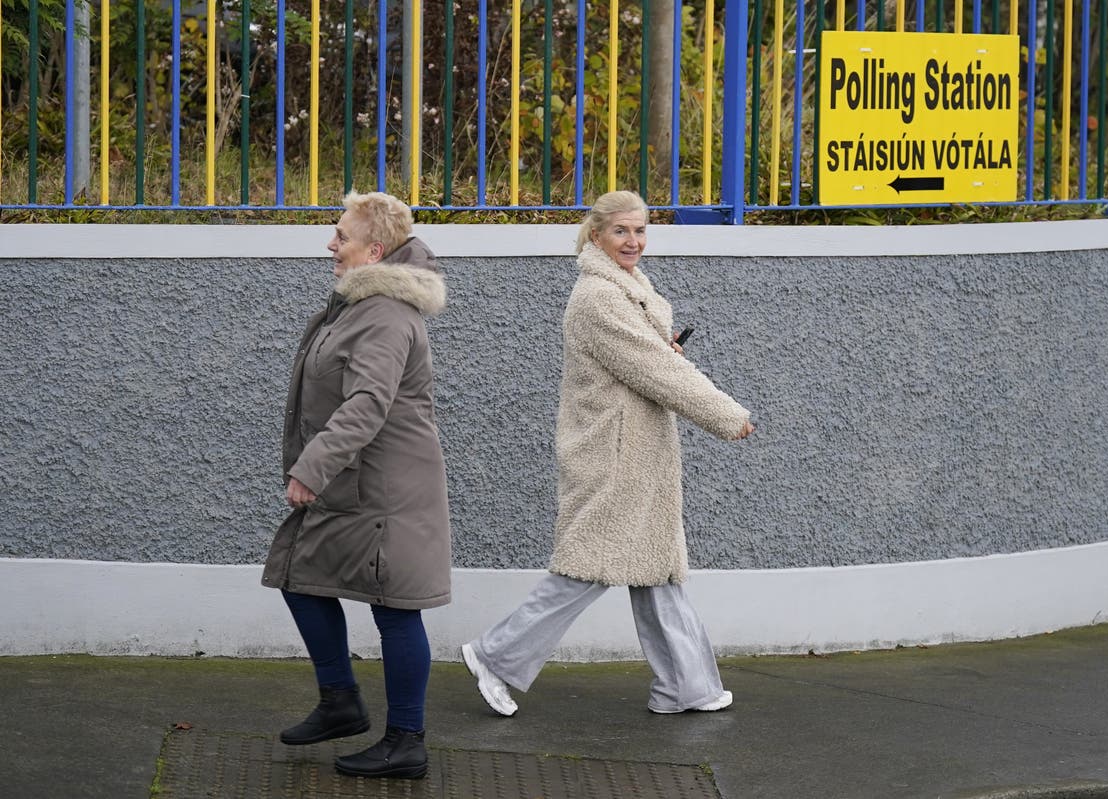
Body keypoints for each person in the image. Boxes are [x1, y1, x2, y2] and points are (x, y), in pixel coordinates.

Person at [461, 189, 754, 717]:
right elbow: (656, 371)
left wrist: (659, 346)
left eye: (640, 231)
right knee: (589, 565)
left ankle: (687, 687)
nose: (633, 241)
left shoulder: (626, 288)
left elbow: (645, 360)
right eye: (621, 231)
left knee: (657, 570)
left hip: (637, 450)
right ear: (596, 234)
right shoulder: (599, 297)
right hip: (614, 454)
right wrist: (726, 415)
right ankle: (495, 656)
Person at [261, 190, 451, 779]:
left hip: (386, 492)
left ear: (375, 250)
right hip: (355, 486)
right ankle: (341, 702)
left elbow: (368, 403)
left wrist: (311, 467)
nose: (330, 243)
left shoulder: (386, 315)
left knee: (396, 611)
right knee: (299, 576)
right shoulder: (358, 305)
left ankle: (405, 741)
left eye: (340, 236)